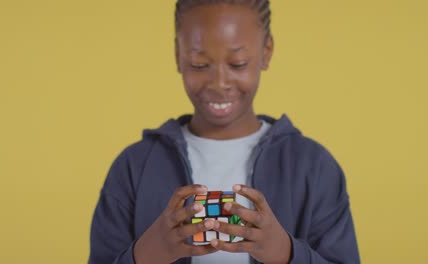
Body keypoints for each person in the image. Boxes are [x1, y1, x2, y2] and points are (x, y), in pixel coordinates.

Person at [88, 0, 360, 263]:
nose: (219, 83)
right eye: (199, 64)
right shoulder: (134, 166)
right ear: (177, 55)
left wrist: (286, 253)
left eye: (238, 63)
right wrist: (146, 255)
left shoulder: (313, 166)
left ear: (266, 51)